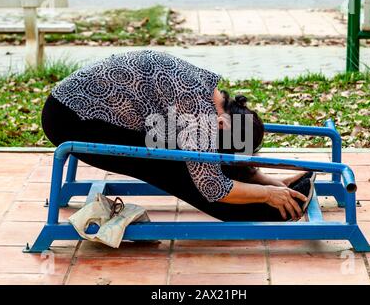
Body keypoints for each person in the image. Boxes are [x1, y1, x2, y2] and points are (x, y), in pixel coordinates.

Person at [41, 50, 314, 222]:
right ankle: (271, 209)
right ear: (221, 124)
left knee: (195, 161)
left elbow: (220, 159)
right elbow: (213, 188)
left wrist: (267, 180)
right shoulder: (197, 111)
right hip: (72, 121)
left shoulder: (209, 94)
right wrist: (266, 195)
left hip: (75, 107)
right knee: (180, 170)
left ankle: (272, 193)